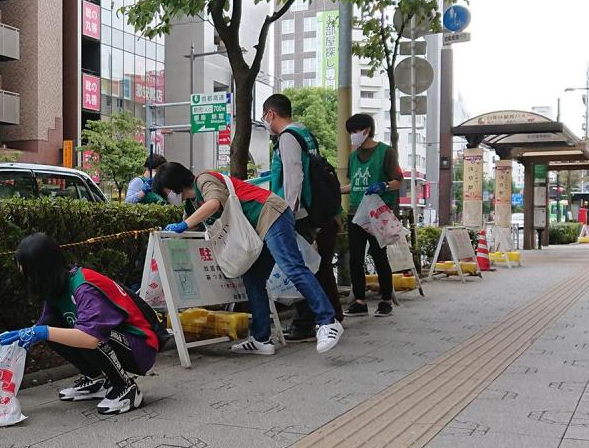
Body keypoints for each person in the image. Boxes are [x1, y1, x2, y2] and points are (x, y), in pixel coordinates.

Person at [152, 163, 343, 355]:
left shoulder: (203, 179)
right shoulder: (191, 203)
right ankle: (261, 339)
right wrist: (173, 231)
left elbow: (214, 203)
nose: (167, 196)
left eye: (166, 191)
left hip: (270, 214)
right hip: (257, 230)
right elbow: (196, 224)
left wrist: (183, 225)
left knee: (291, 266)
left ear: (173, 183)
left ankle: (328, 321)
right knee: (253, 279)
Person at [0, 233, 158, 415]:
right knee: (50, 327)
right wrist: (18, 342)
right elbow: (47, 324)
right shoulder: (56, 287)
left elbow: (90, 338)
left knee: (88, 334)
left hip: (140, 348)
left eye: (26, 270)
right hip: (116, 342)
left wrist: (41, 332)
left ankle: (125, 387)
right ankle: (98, 379)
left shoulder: (83, 287)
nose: (22, 274)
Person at [262, 94, 344, 342]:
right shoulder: (304, 132)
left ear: (271, 114)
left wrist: (287, 212)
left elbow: (293, 177)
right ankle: (328, 317)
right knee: (313, 266)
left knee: (298, 268)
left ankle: (310, 321)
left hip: (297, 213)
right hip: (312, 210)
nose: (265, 122)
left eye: (264, 117)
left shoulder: (287, 137)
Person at [340, 113, 404, 317]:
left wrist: (383, 185)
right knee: (355, 258)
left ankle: (386, 300)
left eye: (355, 131)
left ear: (367, 130)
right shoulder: (353, 156)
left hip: (377, 214)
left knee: (379, 255)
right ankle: (359, 300)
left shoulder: (386, 152)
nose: (352, 135)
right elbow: (356, 184)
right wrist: (337, 190)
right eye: (350, 132)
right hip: (355, 213)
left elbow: (398, 180)